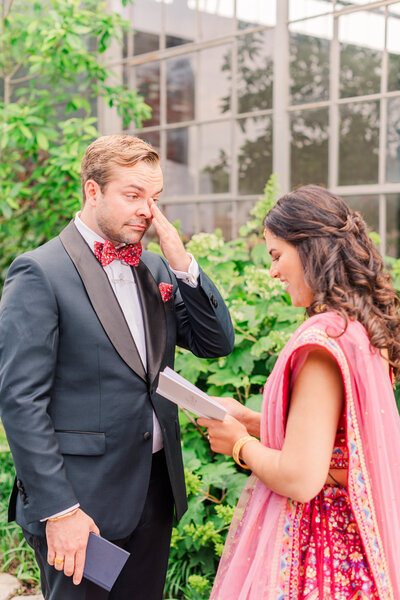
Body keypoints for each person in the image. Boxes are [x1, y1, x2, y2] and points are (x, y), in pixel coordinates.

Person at [0, 134, 234, 600]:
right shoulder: (40, 272)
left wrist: (181, 261)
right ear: (93, 191)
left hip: (154, 491)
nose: (148, 209)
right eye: (133, 195)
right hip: (81, 503)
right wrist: (60, 510)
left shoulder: (158, 269)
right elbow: (20, 401)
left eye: (155, 197)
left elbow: (215, 342)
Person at [198, 185, 400, 599]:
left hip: (322, 551)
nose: (272, 271)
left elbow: (302, 478)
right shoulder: (359, 329)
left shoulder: (324, 347)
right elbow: (339, 440)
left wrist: (239, 445)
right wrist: (252, 421)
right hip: (356, 541)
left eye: (276, 255)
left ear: (311, 248)